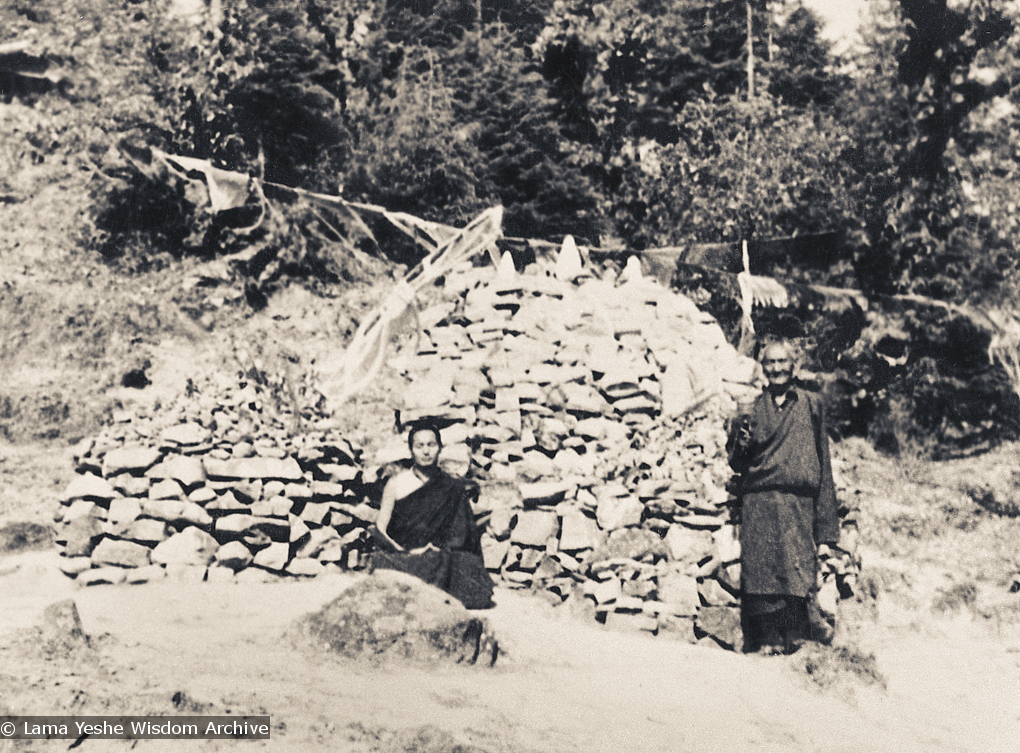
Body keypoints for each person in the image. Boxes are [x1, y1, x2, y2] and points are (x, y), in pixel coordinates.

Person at [727, 341, 839, 654]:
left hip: (798, 502)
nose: (777, 368)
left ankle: (796, 635)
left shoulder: (811, 404)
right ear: (762, 367)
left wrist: (827, 525)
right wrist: (742, 442)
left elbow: (823, 461)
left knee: (798, 565)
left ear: (795, 364)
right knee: (762, 569)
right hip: (760, 499)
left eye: (783, 361)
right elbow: (735, 461)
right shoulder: (749, 406)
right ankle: (768, 638)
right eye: (770, 362)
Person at [370, 421, 495, 609]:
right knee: (380, 561)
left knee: (469, 568)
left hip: (440, 555)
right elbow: (380, 529)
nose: (426, 451)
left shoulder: (453, 486)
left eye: (431, 445)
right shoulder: (396, 484)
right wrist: (406, 551)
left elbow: (462, 536)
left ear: (440, 448)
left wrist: (436, 549)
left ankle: (415, 587)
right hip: (405, 555)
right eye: (419, 446)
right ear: (411, 450)